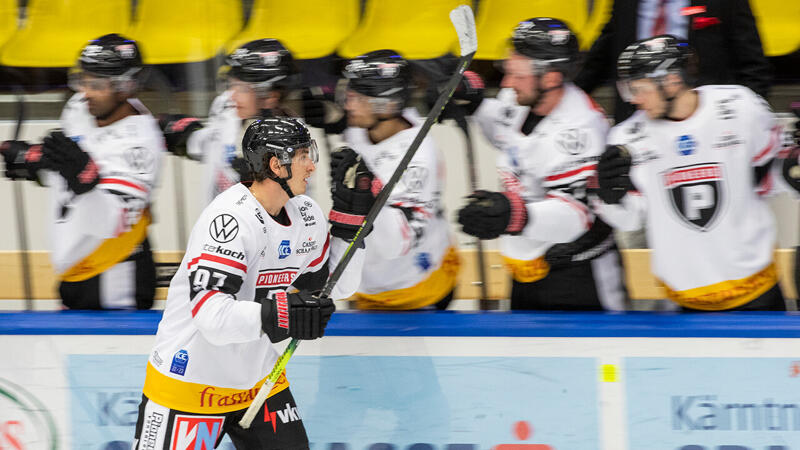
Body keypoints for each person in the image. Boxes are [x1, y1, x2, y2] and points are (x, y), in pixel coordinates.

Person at [133, 117, 366, 448]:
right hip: (190, 383)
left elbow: (335, 286)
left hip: (258, 382)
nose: (312, 166)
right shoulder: (229, 219)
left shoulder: (306, 215)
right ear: (276, 165)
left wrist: (349, 222)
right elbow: (211, 317)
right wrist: (283, 314)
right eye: (303, 157)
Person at [592, 35, 785, 311]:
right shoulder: (627, 138)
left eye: (639, 88)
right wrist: (610, 196)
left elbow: (771, 176)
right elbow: (630, 219)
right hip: (682, 304)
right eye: (628, 90)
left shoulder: (740, 107)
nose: (634, 100)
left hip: (757, 294)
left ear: (672, 81)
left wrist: (789, 169)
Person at [456, 18, 627, 311]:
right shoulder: (523, 97)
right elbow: (507, 129)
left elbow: (577, 214)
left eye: (516, 75)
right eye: (507, 71)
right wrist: (475, 104)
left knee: (594, 356)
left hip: (577, 278)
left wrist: (512, 214)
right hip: (527, 269)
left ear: (550, 78)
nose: (507, 84)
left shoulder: (580, 129)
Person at [0, 34, 163, 310]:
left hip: (115, 273)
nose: (85, 91)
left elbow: (113, 224)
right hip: (75, 264)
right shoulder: (81, 107)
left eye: (96, 84)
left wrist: (83, 181)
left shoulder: (141, 146)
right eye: (83, 80)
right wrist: (35, 162)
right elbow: (70, 164)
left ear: (126, 86)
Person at [325, 49, 460, 310]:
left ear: (387, 105)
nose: (348, 105)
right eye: (348, 95)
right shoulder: (365, 128)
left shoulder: (418, 158)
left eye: (358, 99)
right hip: (368, 285)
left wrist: (367, 191)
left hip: (417, 288)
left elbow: (395, 244)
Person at [575, 0, 771, 123]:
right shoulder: (625, 3)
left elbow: (753, 65)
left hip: (703, 124)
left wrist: (747, 120)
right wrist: (570, 97)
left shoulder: (723, 3)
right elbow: (601, 56)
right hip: (640, 120)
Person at [158, 38, 300, 205]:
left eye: (242, 88)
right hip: (213, 223)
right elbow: (214, 145)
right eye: (231, 84)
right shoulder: (228, 105)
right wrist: (187, 135)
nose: (232, 95)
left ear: (270, 96)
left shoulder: (291, 144)